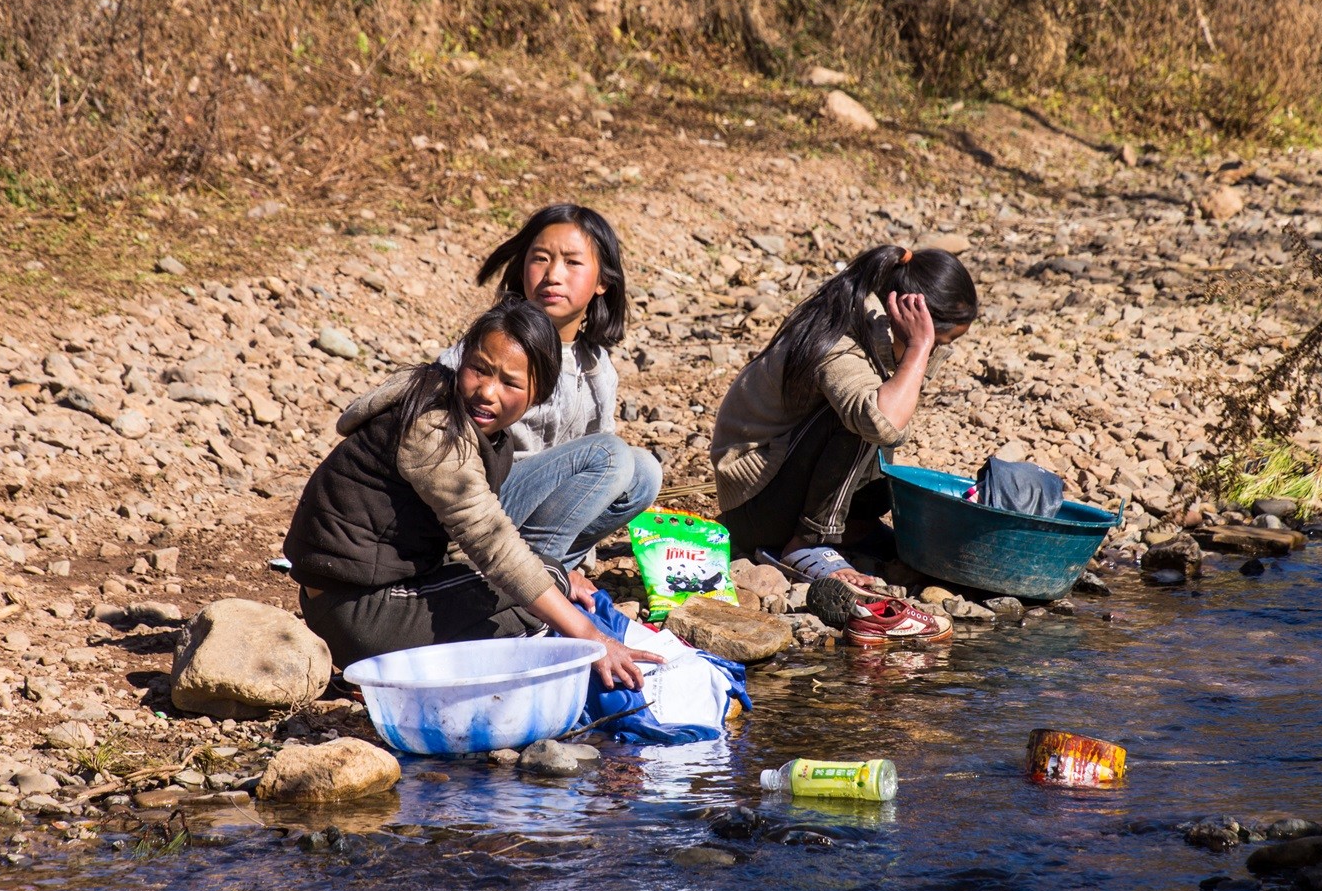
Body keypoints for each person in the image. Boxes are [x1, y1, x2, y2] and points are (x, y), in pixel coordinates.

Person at [283, 296, 663, 690]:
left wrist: (555, 580)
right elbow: (490, 543)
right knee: (542, 599)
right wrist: (591, 636)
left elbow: (458, 538)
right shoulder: (433, 428)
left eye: (510, 383)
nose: (487, 391)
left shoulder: (482, 432)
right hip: (358, 615)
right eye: (479, 369)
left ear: (539, 394)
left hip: (360, 597)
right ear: (461, 361)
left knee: (549, 578)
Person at [711, 245, 978, 588]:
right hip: (755, 507)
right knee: (869, 416)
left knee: (895, 470)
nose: (936, 350)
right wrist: (919, 347)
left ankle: (853, 528)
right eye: (939, 341)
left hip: (785, 488)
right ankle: (808, 541)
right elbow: (882, 423)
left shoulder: (878, 327)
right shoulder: (841, 334)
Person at [440, 204, 660, 571]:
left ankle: (554, 569)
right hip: (477, 506)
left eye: (572, 263)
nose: (553, 275)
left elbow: (597, 476)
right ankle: (533, 582)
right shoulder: (492, 345)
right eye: (540, 259)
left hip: (535, 511)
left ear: (602, 281)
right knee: (611, 455)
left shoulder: (597, 365)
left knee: (643, 472)